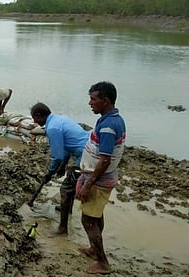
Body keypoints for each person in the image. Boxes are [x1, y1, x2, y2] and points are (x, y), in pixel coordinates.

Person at [75, 81, 125, 274]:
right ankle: (94, 249)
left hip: (98, 180)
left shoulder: (108, 126)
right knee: (96, 216)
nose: (90, 103)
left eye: (93, 99)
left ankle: (103, 262)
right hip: (103, 178)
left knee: (88, 220)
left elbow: (104, 160)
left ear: (105, 101)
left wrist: (88, 183)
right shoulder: (110, 119)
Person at [30, 103, 89, 236]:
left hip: (83, 156)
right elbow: (67, 146)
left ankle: (62, 229)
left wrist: (50, 173)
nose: (34, 121)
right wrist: (62, 166)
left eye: (34, 118)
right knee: (71, 185)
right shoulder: (60, 119)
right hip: (84, 151)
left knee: (65, 190)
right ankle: (68, 211)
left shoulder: (53, 128)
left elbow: (57, 156)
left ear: (39, 116)